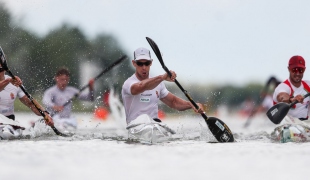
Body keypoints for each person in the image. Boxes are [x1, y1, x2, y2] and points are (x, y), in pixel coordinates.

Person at [121, 47, 204, 142]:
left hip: (154, 124)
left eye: (147, 63)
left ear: (151, 62)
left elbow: (173, 102)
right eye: (140, 63)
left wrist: (192, 105)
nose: (144, 67)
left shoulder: (158, 84)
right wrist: (162, 77)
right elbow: (141, 86)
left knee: (156, 124)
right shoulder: (128, 84)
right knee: (144, 118)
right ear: (134, 63)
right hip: (135, 127)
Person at [0, 65, 54, 138]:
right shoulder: (10, 80)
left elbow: (31, 104)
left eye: (0, 69)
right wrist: (8, 81)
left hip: (9, 122)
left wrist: (46, 115)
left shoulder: (14, 83)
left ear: (5, 69)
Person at [272, 55, 310, 142]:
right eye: (294, 70)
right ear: (289, 69)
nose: (297, 73)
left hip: (305, 125)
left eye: (300, 70)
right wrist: (291, 99)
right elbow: (282, 96)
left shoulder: (308, 86)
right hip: (286, 126)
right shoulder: (283, 87)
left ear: (304, 70)